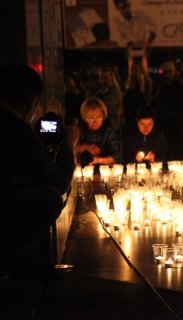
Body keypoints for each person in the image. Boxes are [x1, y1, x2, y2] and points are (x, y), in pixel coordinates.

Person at [0, 64, 79, 278]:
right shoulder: (16, 130)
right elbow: (58, 182)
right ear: (32, 101)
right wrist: (69, 146)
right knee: (49, 198)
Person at [75, 97, 123, 167]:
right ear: (85, 118)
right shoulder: (80, 128)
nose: (95, 122)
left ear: (103, 115)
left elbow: (117, 156)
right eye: (90, 118)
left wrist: (99, 160)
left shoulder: (110, 129)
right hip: (85, 169)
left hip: (107, 170)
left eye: (98, 118)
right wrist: (85, 146)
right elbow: (71, 147)